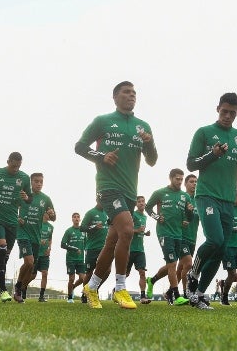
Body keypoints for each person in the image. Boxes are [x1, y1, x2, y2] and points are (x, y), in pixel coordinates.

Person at [75, 80, 158, 309]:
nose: (131, 96)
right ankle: (120, 289)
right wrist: (100, 156)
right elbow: (80, 146)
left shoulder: (143, 127)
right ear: (115, 97)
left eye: (134, 92)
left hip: (130, 191)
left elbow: (152, 160)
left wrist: (149, 144)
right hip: (108, 187)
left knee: (112, 242)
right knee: (129, 231)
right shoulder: (103, 121)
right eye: (126, 92)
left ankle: (91, 287)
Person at [185, 93, 237, 310]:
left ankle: (199, 295)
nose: (228, 116)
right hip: (207, 195)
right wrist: (212, 154)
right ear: (218, 108)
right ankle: (193, 273)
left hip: (228, 200)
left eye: (232, 113)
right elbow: (191, 164)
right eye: (224, 111)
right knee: (215, 239)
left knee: (220, 249)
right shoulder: (205, 132)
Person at [0, 152, 32, 303]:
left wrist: (26, 197)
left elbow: (29, 198)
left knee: (4, 259)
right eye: (13, 165)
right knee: (1, 249)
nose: (16, 169)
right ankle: (3, 290)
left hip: (12, 222)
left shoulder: (24, 178)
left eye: (18, 166)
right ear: (8, 161)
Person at [145, 168, 194, 306]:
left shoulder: (185, 196)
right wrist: (156, 217)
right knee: (173, 264)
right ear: (171, 178)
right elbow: (148, 208)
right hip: (164, 232)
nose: (179, 181)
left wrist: (189, 213)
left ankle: (152, 280)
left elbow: (189, 218)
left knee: (171, 264)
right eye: (177, 179)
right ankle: (177, 296)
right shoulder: (160, 193)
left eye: (181, 179)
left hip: (178, 234)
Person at [14, 173, 56, 303]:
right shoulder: (23, 195)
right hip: (23, 233)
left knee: (32, 271)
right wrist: (17, 218)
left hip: (36, 237)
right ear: (31, 182)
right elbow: (11, 209)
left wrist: (51, 213)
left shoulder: (46, 199)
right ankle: (18, 288)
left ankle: (20, 288)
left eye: (41, 182)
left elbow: (54, 218)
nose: (39, 184)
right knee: (29, 262)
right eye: (36, 181)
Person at [80, 198, 109, 304]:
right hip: (92, 248)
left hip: (105, 248)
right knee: (89, 272)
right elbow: (82, 228)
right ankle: (84, 293)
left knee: (107, 270)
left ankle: (94, 289)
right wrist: (94, 227)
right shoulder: (91, 213)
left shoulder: (107, 213)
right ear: (97, 200)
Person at [176, 174, 199, 299]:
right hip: (180, 237)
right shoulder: (181, 198)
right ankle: (186, 294)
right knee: (189, 264)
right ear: (185, 184)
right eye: (191, 181)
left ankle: (170, 291)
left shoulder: (199, 201)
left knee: (181, 267)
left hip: (192, 238)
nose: (194, 184)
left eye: (196, 182)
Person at [127, 195, 151, 304]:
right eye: (139, 201)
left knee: (142, 272)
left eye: (143, 201)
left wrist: (145, 233)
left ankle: (142, 297)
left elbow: (140, 231)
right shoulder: (133, 214)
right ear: (136, 204)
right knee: (125, 274)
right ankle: (116, 290)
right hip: (130, 249)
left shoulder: (145, 217)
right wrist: (137, 230)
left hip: (140, 250)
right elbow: (126, 229)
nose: (141, 203)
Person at [61, 213, 86, 303]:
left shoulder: (83, 231)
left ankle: (73, 287)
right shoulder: (69, 231)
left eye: (78, 217)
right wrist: (74, 249)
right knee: (71, 278)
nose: (76, 218)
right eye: (74, 217)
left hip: (80, 259)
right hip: (70, 259)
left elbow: (86, 245)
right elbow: (62, 244)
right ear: (72, 219)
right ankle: (70, 298)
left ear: (80, 219)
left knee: (83, 278)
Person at [33, 212, 55, 302]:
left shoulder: (51, 227)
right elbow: (33, 235)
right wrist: (39, 240)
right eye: (47, 213)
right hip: (36, 253)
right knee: (32, 275)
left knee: (45, 273)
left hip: (45, 254)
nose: (49, 214)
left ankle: (41, 296)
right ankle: (22, 289)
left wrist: (49, 248)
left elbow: (50, 239)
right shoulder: (37, 224)